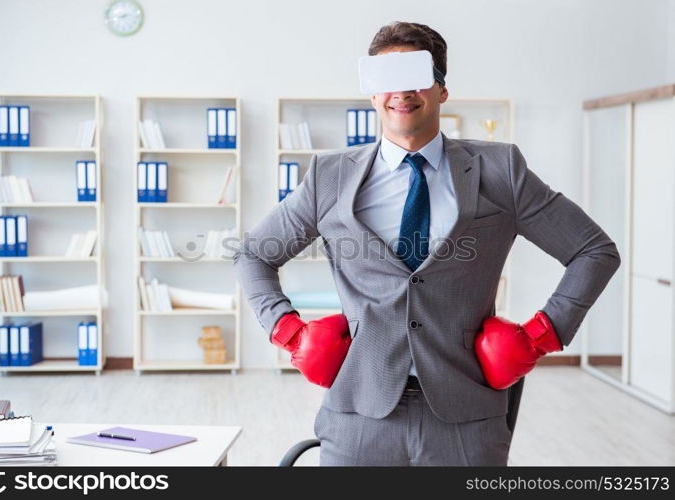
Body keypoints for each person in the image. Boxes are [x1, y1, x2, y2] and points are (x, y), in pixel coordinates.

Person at [233, 21, 620, 466]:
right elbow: (254, 254)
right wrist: (289, 331)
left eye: (415, 76)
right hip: (359, 415)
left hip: (466, 418)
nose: (401, 92)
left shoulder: (500, 171)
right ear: (372, 93)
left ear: (442, 90)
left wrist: (542, 334)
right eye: (386, 80)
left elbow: (593, 250)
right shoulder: (330, 177)